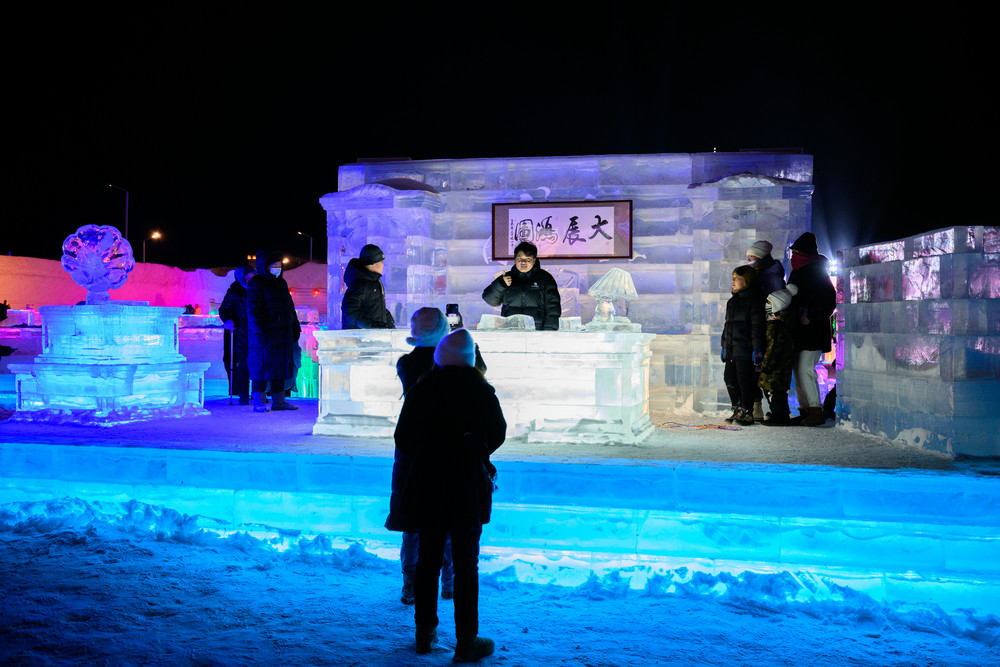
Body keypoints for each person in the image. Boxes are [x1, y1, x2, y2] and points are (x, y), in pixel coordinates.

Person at [388, 328, 506, 662]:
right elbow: (498, 433)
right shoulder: (482, 391)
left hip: (428, 483)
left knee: (428, 560)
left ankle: (424, 633)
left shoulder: (422, 389)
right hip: (467, 486)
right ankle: (467, 640)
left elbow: (403, 439)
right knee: (467, 565)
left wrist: (428, 451)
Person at [394, 307, 456, 606]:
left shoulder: (407, 362)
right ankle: (449, 581)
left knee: (411, 522)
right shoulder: (455, 362)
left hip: (413, 449)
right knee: (448, 519)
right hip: (448, 446)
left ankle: (411, 583)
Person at [786, 232, 837, 426]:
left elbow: (829, 302)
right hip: (799, 330)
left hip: (813, 331)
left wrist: (811, 317)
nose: (793, 256)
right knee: (798, 369)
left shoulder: (817, 272)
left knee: (805, 368)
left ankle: (815, 410)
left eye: (796, 252)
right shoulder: (798, 272)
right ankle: (806, 410)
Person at [247, 250, 300, 412]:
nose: (277, 268)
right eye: (274, 265)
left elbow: (290, 307)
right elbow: (252, 309)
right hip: (264, 334)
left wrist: (295, 327)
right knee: (261, 366)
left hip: (282, 334)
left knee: (279, 366)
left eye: (279, 265)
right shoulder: (257, 283)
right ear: (264, 266)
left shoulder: (281, 283)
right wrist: (257, 331)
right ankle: (259, 401)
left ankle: (279, 401)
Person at [745, 240, 786, 421]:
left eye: (751, 257)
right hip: (755, 326)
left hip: (766, 328)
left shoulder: (773, 278)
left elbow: (778, 306)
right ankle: (757, 408)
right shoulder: (755, 275)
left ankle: (775, 410)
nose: (748, 261)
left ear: (760, 257)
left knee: (763, 369)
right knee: (752, 369)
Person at [720, 265, 766, 426]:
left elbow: (757, 327)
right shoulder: (732, 301)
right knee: (729, 378)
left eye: (737, 278)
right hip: (732, 348)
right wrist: (724, 345)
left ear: (747, 280)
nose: (733, 281)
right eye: (732, 278)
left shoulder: (754, 300)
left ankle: (747, 412)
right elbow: (727, 326)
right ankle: (737, 409)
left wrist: (757, 348)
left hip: (745, 349)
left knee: (744, 380)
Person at [481, 241, 561, 331]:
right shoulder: (507, 278)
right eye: (520, 258)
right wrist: (501, 284)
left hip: (537, 331)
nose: (523, 262)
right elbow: (491, 301)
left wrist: (549, 331)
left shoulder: (545, 278)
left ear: (534, 260)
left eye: (528, 258)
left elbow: (553, 306)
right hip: (510, 331)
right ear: (515, 260)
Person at [758, 285, 798, 426]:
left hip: (775, 366)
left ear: (777, 305)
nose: (766, 305)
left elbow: (774, 347)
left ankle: (779, 416)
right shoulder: (783, 321)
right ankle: (780, 414)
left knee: (773, 391)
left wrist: (767, 365)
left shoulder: (776, 324)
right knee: (777, 391)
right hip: (781, 365)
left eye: (769, 302)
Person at [218, 266, 254, 405]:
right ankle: (242, 395)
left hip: (255, 333)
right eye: (247, 277)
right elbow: (223, 309)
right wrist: (228, 320)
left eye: (252, 276)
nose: (250, 280)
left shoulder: (257, 290)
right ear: (241, 278)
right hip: (239, 335)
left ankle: (258, 394)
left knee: (257, 364)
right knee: (242, 366)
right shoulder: (234, 292)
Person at [342, 244, 395, 329]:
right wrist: (371, 325)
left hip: (372, 334)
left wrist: (390, 323)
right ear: (373, 263)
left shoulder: (374, 281)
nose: (382, 265)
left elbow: (377, 307)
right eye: (381, 262)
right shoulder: (359, 283)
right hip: (360, 336)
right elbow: (349, 311)